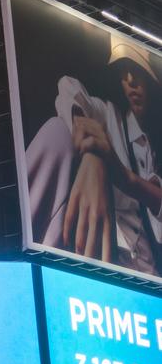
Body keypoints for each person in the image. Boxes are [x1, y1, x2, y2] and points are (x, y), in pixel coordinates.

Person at [26, 37, 162, 275]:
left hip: (149, 283)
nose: (130, 81)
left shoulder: (154, 147)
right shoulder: (109, 116)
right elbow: (70, 89)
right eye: (124, 72)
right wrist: (93, 153)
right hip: (105, 260)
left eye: (137, 72)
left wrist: (122, 176)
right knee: (56, 133)